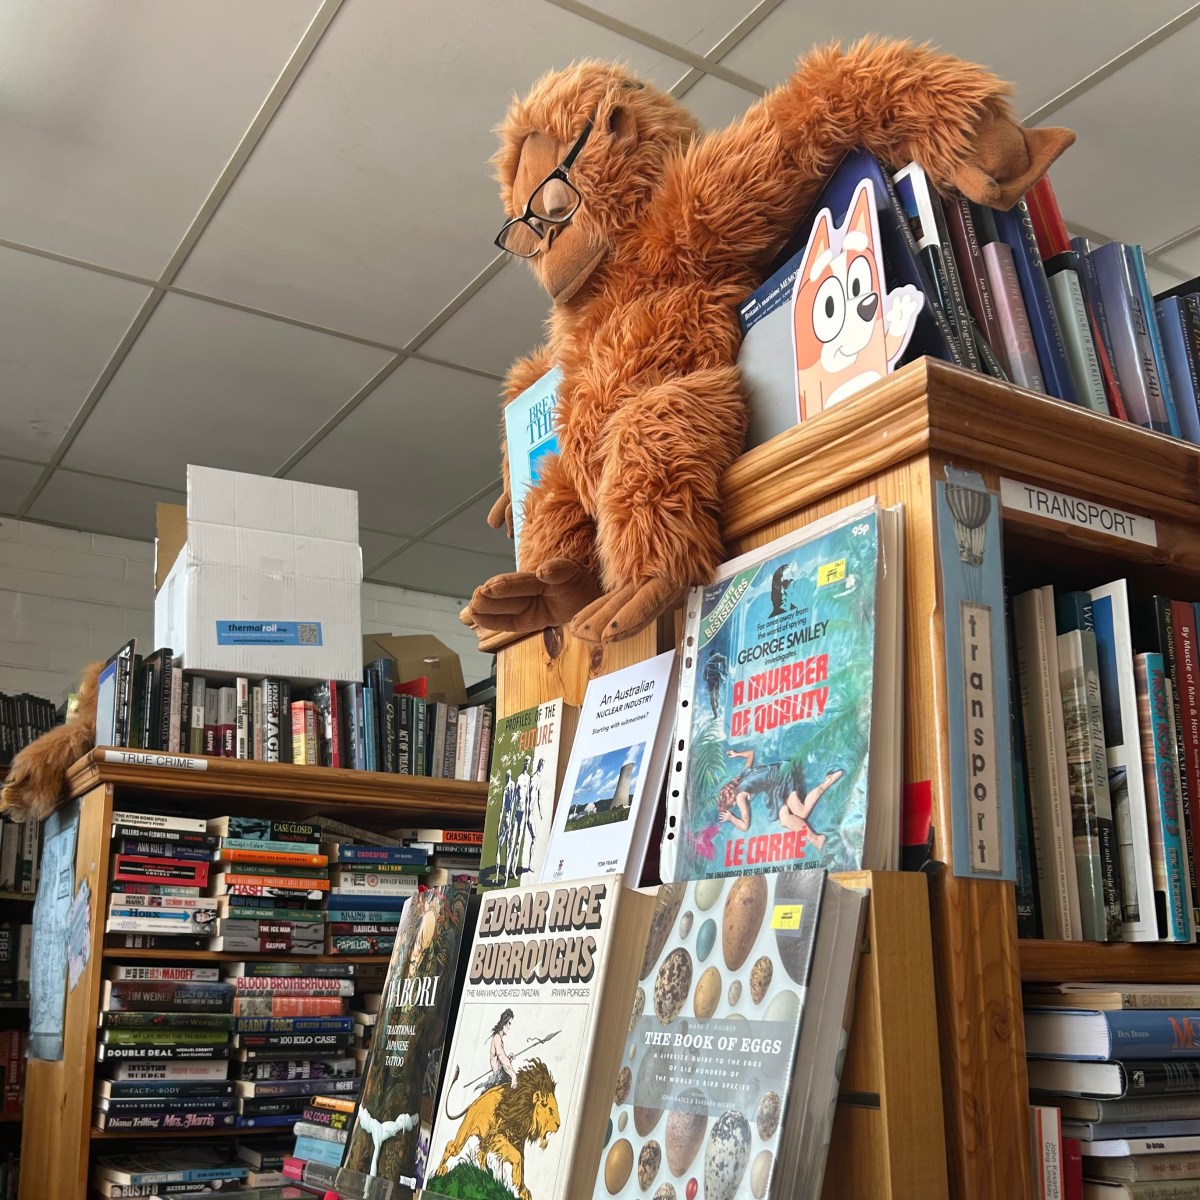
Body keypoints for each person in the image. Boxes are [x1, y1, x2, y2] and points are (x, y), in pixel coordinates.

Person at [716, 748, 843, 849]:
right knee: (785, 819)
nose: (733, 806)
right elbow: (750, 753)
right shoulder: (743, 775)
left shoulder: (740, 797)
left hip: (781, 776)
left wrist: (731, 818)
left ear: (731, 800)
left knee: (801, 812)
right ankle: (817, 840)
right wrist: (737, 754)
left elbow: (744, 826)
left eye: (730, 805)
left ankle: (828, 781)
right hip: (774, 784)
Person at [480, 1009, 519, 1090]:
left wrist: (508, 1058)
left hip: (501, 1077)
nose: (509, 1027)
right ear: (504, 1023)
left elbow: (502, 1059)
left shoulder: (498, 1039)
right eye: (509, 1023)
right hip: (499, 1080)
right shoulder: (497, 1039)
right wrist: (513, 1076)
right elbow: (502, 1058)